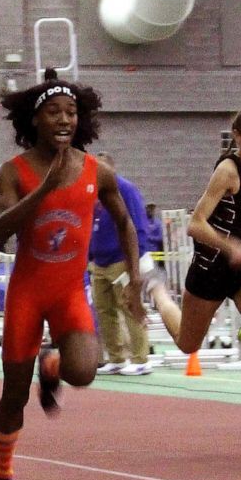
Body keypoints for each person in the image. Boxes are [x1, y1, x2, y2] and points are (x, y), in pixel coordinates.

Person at [0, 68, 144, 480]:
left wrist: (134, 278)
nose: (63, 120)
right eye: (53, 112)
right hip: (27, 295)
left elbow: (126, 221)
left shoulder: (97, 171)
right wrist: (46, 190)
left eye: (72, 113)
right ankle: (2, 473)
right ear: (34, 120)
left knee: (84, 373)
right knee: (13, 397)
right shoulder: (12, 172)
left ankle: (51, 364)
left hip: (70, 291)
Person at [146, 105, 241, 460]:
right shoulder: (228, 171)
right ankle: (157, 292)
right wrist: (230, 246)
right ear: (237, 137)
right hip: (213, 267)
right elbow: (195, 224)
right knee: (186, 343)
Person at [91, 151, 153, 376]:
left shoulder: (125, 189)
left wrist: (134, 263)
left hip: (121, 260)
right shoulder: (94, 193)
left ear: (110, 170)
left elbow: (138, 225)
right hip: (100, 261)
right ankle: (116, 357)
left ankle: (141, 358)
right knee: (104, 309)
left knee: (129, 307)